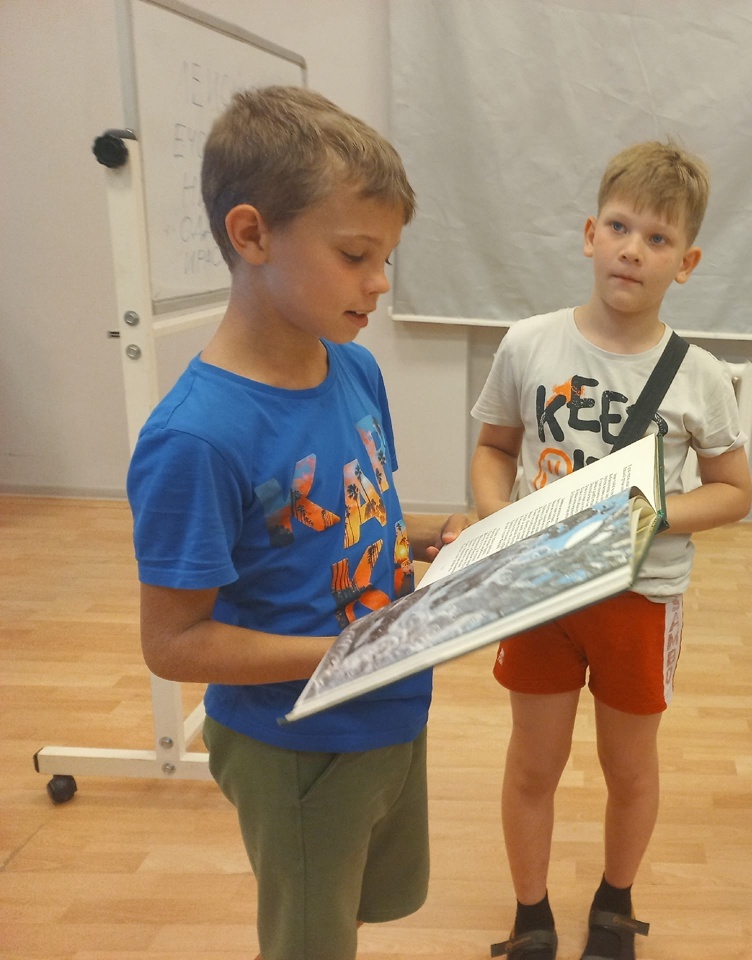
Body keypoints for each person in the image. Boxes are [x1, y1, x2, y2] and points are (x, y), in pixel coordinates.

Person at [126, 86, 466, 960]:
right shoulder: (196, 438)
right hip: (296, 744)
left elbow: (354, 520)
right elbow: (173, 644)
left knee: (350, 915)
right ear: (252, 235)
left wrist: (431, 539)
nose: (379, 282)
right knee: (307, 942)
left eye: (385, 257)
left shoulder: (353, 369)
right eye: (355, 255)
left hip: (390, 710)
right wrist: (350, 652)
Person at [472, 140, 752, 960]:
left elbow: (734, 491)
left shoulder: (699, 375)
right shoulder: (529, 344)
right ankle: (531, 915)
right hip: (539, 592)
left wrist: (646, 515)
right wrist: (498, 522)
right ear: (590, 233)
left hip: (641, 597)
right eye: (621, 228)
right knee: (534, 764)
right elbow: (494, 448)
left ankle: (615, 903)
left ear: (685, 262)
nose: (634, 250)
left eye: (658, 238)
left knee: (629, 769)